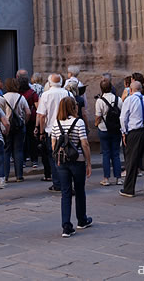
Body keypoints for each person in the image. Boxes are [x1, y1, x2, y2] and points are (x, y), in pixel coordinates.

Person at [50, 96, 92, 237]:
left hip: (62, 162)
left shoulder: (56, 123)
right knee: (80, 190)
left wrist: (57, 159)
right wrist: (89, 162)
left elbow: (53, 145)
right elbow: (84, 143)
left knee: (66, 193)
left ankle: (66, 226)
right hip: (77, 160)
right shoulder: (79, 122)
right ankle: (82, 219)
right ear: (73, 107)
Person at [119, 80, 144, 199]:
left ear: (130, 90)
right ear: (141, 89)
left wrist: (124, 132)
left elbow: (123, 118)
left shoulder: (129, 100)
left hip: (135, 133)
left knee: (132, 161)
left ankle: (129, 189)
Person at [36, 73, 70, 192]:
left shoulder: (46, 95)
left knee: (54, 157)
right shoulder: (67, 93)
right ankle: (66, 182)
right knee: (67, 156)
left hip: (51, 130)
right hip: (67, 129)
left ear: (50, 83)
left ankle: (57, 183)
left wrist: (41, 132)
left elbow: (41, 116)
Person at [95, 78, 123, 185]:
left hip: (104, 129)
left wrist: (96, 124)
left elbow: (98, 116)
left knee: (106, 153)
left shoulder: (100, 101)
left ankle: (106, 178)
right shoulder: (119, 99)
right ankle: (118, 178)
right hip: (116, 129)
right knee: (116, 154)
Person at [3, 77, 31, 182]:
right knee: (18, 150)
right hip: (19, 126)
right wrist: (24, 122)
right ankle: (19, 175)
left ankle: (5, 176)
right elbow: (28, 112)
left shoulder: (3, 97)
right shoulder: (21, 97)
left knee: (6, 150)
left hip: (7, 126)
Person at [19, 75, 40, 168]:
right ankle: (34, 160)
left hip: (20, 118)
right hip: (32, 118)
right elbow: (37, 107)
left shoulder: (17, 94)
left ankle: (23, 160)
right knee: (32, 140)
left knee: (22, 140)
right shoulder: (32, 93)